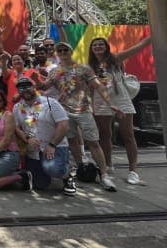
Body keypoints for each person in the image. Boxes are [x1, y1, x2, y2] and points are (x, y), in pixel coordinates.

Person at [32, 41, 122, 192]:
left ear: (70, 51)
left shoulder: (83, 68)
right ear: (56, 53)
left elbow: (98, 86)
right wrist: (36, 80)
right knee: (72, 141)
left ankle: (104, 175)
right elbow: (44, 87)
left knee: (93, 142)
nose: (62, 52)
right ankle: (82, 169)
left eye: (65, 49)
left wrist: (110, 103)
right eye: (59, 50)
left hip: (84, 110)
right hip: (65, 112)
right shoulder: (55, 71)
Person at [88, 36, 152, 185]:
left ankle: (133, 172)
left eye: (101, 44)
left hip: (120, 98)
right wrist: (91, 104)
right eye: (95, 45)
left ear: (106, 47)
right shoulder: (90, 66)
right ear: (91, 49)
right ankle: (108, 166)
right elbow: (90, 88)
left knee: (128, 134)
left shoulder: (115, 58)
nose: (98, 47)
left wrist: (153, 34)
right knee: (104, 135)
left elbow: (138, 47)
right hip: (100, 101)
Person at [13, 78, 75, 196]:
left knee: (53, 168)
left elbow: (64, 124)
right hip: (34, 151)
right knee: (41, 184)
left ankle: (68, 173)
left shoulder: (51, 103)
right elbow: (16, 127)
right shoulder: (17, 107)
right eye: (21, 87)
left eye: (27, 86)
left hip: (54, 147)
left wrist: (52, 145)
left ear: (34, 87)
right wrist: (26, 138)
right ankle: (45, 169)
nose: (24, 89)